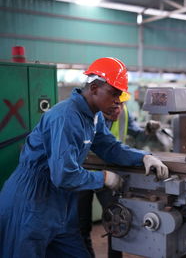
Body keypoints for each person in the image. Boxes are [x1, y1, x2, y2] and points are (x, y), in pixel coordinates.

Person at [0, 57, 169, 258]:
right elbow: (63, 175)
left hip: (60, 204)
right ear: (95, 88)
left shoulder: (93, 116)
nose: (118, 100)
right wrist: (104, 178)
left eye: (120, 94)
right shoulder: (66, 117)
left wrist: (143, 157)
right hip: (31, 200)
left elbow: (109, 147)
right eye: (114, 93)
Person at [78, 101, 161, 258]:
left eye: (121, 103)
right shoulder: (86, 116)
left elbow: (131, 140)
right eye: (114, 104)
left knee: (115, 222)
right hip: (83, 174)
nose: (118, 109)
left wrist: (147, 135)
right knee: (81, 226)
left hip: (111, 175)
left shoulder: (122, 113)